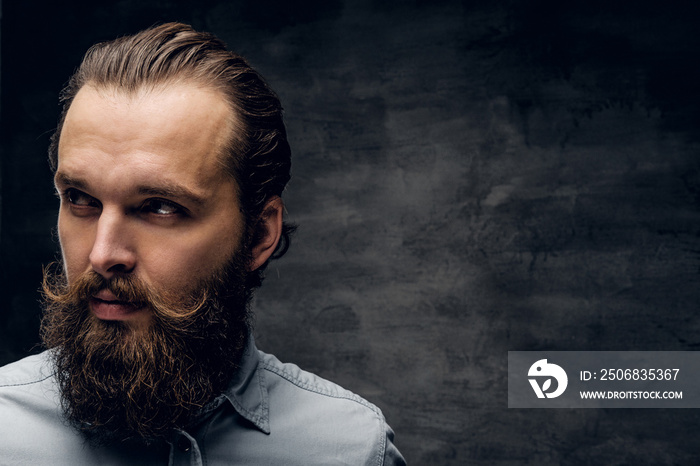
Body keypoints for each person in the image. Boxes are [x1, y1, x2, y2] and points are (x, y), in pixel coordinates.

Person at [0, 22, 405, 465]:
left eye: (159, 207)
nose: (102, 254)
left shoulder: (351, 450)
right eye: (80, 199)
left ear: (259, 235)